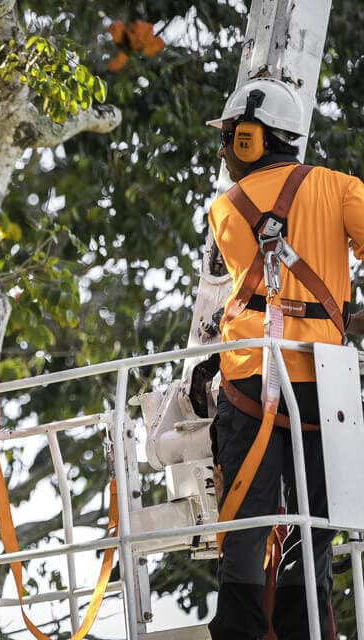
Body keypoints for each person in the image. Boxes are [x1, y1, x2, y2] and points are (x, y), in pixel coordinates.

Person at [205, 77, 364, 640]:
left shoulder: (225, 209)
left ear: (251, 139)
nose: (224, 150)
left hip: (251, 379)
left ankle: (241, 631)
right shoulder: (342, 188)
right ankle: (305, 629)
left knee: (245, 526)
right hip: (326, 384)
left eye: (229, 138)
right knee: (313, 524)